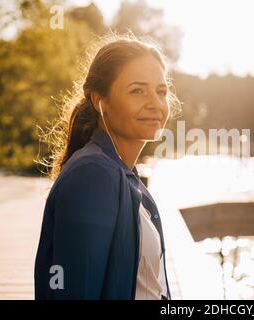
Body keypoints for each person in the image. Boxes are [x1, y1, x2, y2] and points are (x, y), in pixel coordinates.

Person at [34, 34, 181, 299]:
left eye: (161, 91)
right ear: (101, 101)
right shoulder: (93, 175)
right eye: (137, 90)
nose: (155, 103)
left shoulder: (120, 173)